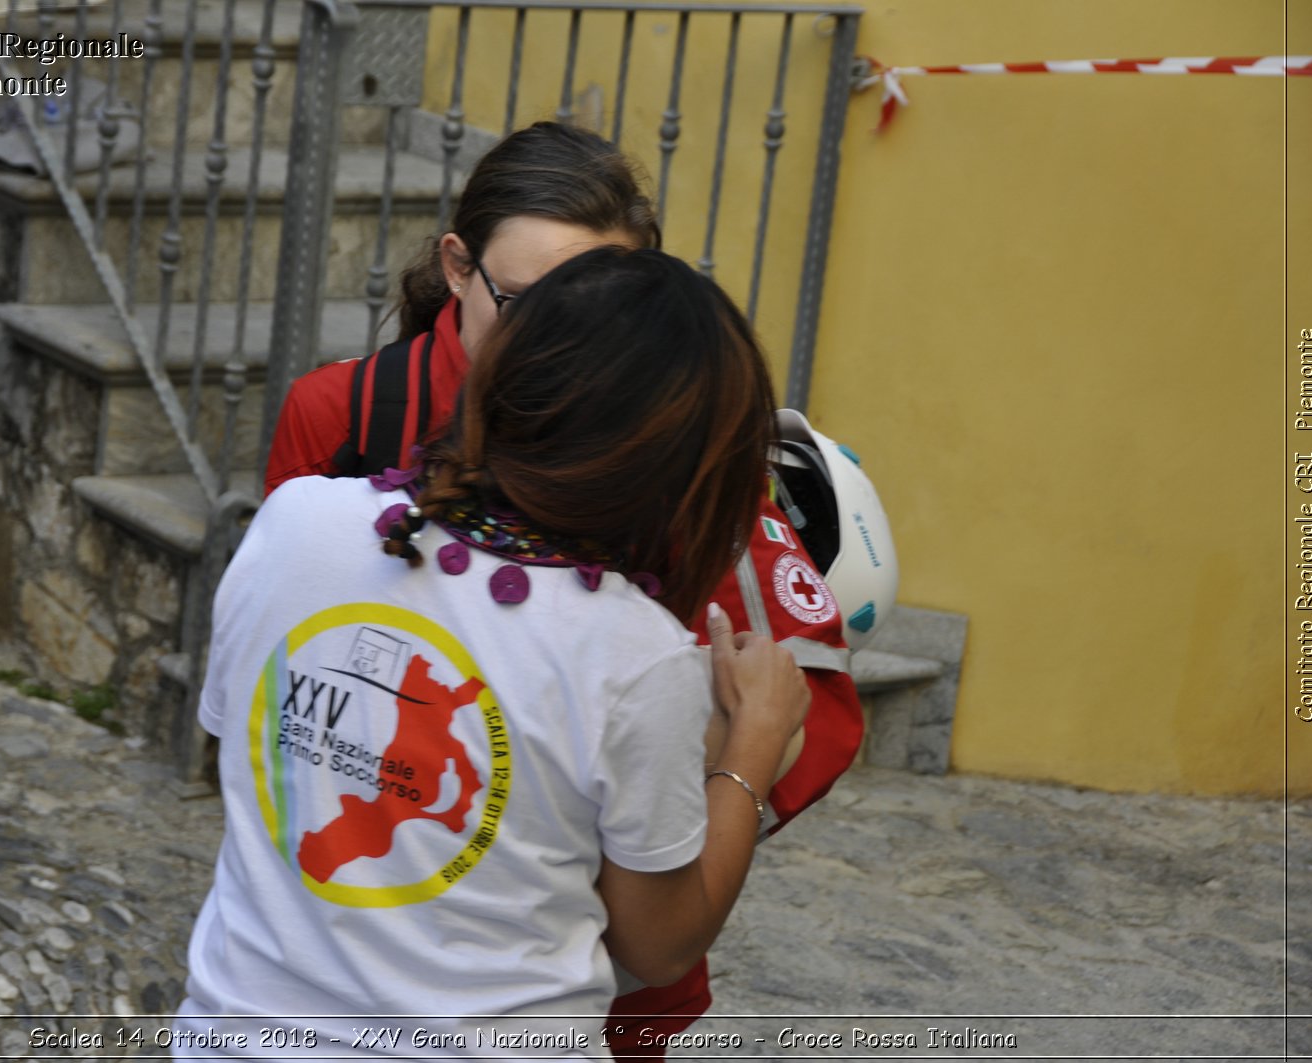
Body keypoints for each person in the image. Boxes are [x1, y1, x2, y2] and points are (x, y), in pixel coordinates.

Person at [264, 120, 865, 1055]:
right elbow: (293, 673)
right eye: (534, 305)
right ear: (458, 269)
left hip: (588, 961)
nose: (571, 347)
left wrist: (660, 809)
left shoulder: (678, 449)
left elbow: (806, 694)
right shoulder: (333, 434)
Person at [180, 247, 806, 1054]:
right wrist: (754, 745)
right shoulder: (634, 652)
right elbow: (658, 946)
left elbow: (250, 750)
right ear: (681, 468)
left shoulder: (295, 520)